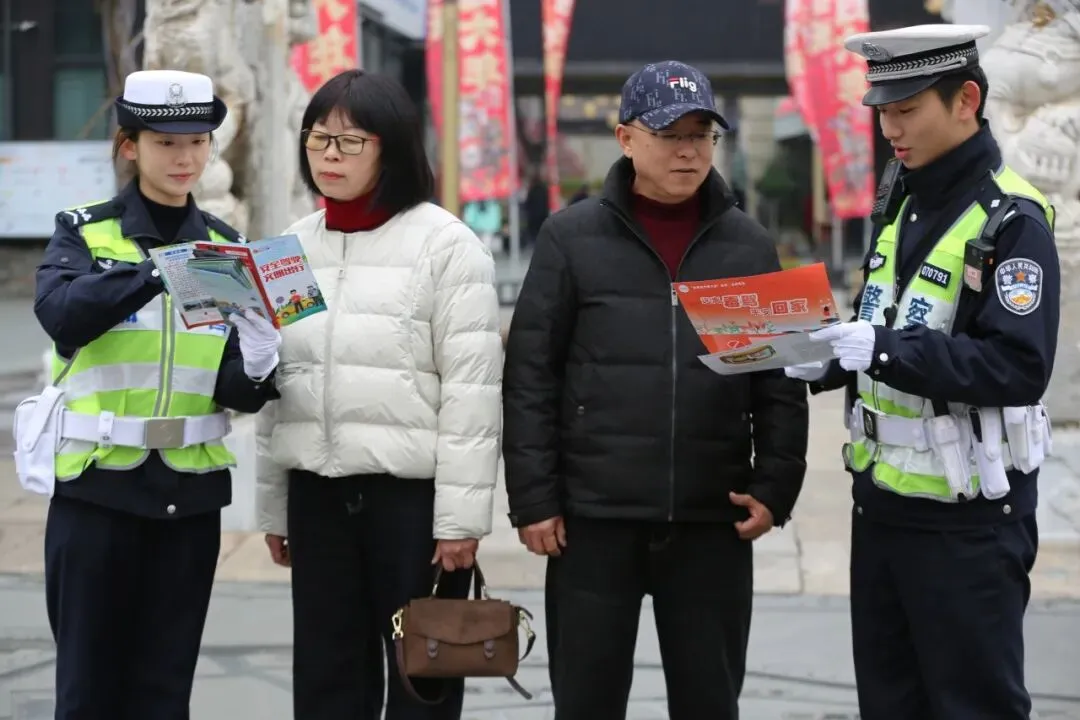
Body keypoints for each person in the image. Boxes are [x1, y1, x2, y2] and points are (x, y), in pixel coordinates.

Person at [502, 60, 810, 719]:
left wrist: (776, 487)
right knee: (586, 703)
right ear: (625, 138)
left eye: (701, 135)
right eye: (670, 134)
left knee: (710, 702)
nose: (688, 151)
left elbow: (779, 382)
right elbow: (531, 375)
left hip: (710, 521)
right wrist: (534, 498)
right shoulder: (571, 239)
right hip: (593, 522)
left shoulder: (748, 245)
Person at [786, 25, 1059, 720]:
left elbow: (1018, 365)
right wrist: (819, 356)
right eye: (882, 111)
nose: (889, 130)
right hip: (882, 507)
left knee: (972, 706)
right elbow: (882, 319)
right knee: (889, 704)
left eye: (906, 110)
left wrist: (881, 349)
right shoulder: (901, 203)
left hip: (968, 523)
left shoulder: (1012, 219)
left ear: (966, 100)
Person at [253, 68, 503, 720]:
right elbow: (280, 385)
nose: (329, 156)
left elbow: (473, 393)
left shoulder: (447, 247)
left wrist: (459, 523)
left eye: (350, 141)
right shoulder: (288, 250)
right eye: (317, 139)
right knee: (327, 681)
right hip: (317, 498)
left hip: (411, 508)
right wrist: (275, 507)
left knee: (423, 684)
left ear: (390, 148)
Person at [32, 69, 282, 719]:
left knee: (165, 693)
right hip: (97, 493)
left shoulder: (226, 249)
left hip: (188, 500)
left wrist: (260, 361)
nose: (185, 157)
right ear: (129, 145)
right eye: (166, 142)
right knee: (88, 693)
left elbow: (233, 388)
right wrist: (155, 271)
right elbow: (62, 316)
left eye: (197, 142)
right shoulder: (85, 234)